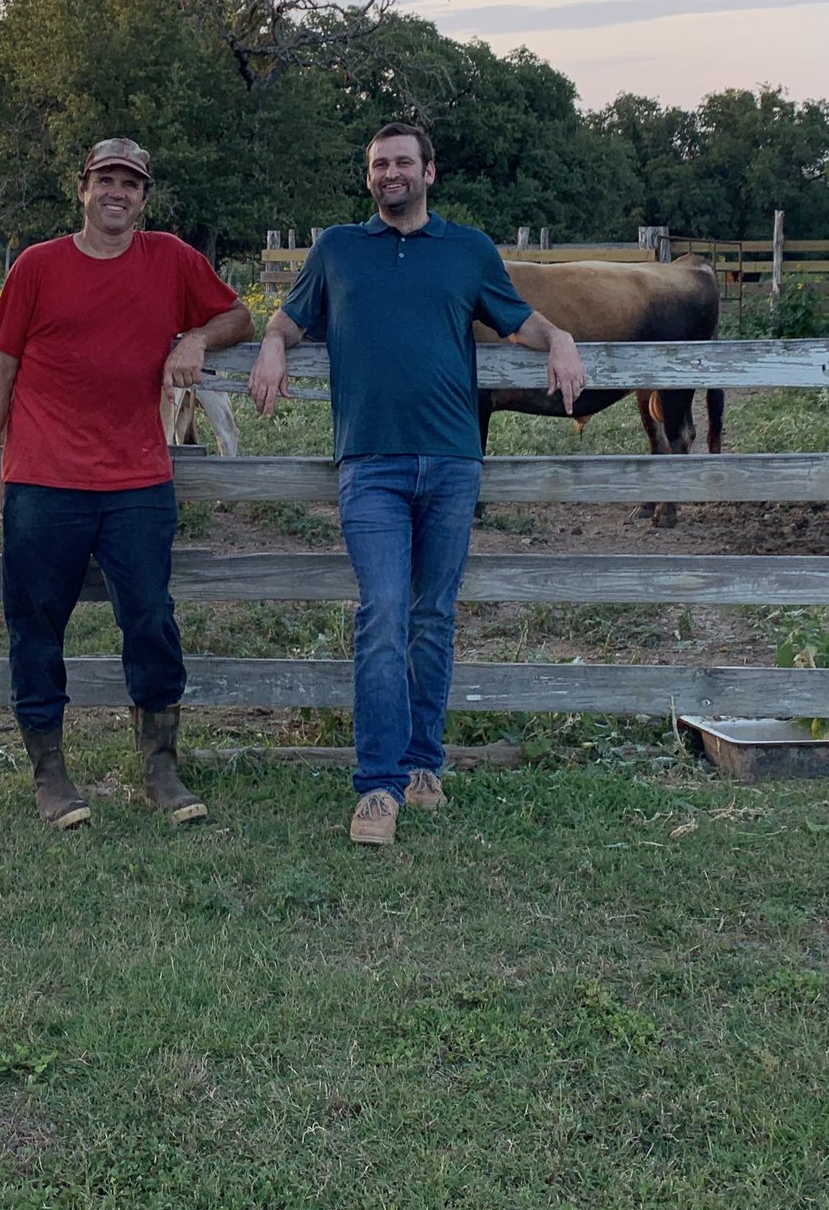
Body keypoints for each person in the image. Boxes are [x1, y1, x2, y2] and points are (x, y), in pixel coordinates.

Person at [247, 123, 586, 846]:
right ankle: (377, 785)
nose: (391, 173)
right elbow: (287, 320)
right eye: (379, 164)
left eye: (404, 161)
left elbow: (519, 320)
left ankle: (422, 765)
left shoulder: (468, 249)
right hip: (370, 462)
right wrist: (272, 346)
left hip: (454, 460)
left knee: (433, 615)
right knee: (384, 611)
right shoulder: (338, 248)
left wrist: (560, 339)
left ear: (430, 171)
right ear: (369, 176)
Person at [0, 137, 255, 830]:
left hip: (137, 478)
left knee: (151, 618)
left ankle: (159, 763)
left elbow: (240, 315)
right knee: (35, 625)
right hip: (43, 478)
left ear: (145, 197)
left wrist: (196, 340)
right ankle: (50, 771)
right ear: (83, 189)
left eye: (131, 182)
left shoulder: (172, 260)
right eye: (106, 180)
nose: (117, 192)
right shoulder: (38, 266)